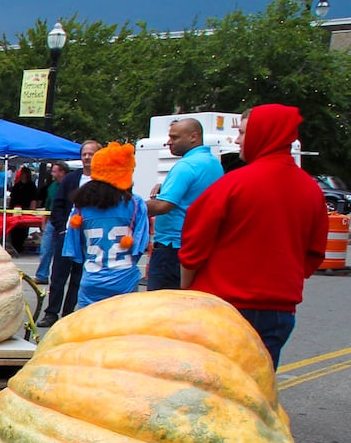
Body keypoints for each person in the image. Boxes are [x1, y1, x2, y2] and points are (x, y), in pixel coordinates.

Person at [180, 104, 327, 369]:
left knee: (217, 388)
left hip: (223, 307)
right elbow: (314, 254)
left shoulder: (231, 185)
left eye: (244, 133)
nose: (237, 141)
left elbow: (192, 248)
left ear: (263, 135)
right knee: (259, 388)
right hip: (279, 311)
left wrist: (187, 290)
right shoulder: (312, 190)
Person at [61, 142, 150, 308]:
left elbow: (73, 245)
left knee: (88, 327)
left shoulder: (81, 205)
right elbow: (141, 244)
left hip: (92, 277)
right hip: (124, 278)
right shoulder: (135, 204)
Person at [143, 118, 222, 291]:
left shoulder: (186, 165)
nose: (168, 142)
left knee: (161, 307)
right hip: (199, 244)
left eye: (175, 137)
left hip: (171, 248)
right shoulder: (214, 164)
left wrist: (131, 206)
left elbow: (164, 205)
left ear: (194, 136)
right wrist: (165, 187)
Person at [37, 140, 101, 328]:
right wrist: (61, 228)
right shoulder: (71, 179)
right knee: (58, 275)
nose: (87, 157)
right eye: (84, 154)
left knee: (79, 277)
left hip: (90, 237)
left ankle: (68, 314)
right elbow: (57, 206)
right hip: (67, 234)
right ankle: (51, 313)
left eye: (91, 154)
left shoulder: (103, 180)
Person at [34, 161, 68, 284]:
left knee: (64, 252)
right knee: (45, 248)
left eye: (54, 171)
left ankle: (60, 277)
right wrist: (44, 221)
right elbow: (48, 205)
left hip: (66, 222)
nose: (52, 174)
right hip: (52, 221)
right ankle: (42, 275)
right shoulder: (52, 187)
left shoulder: (70, 185)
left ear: (62, 172)